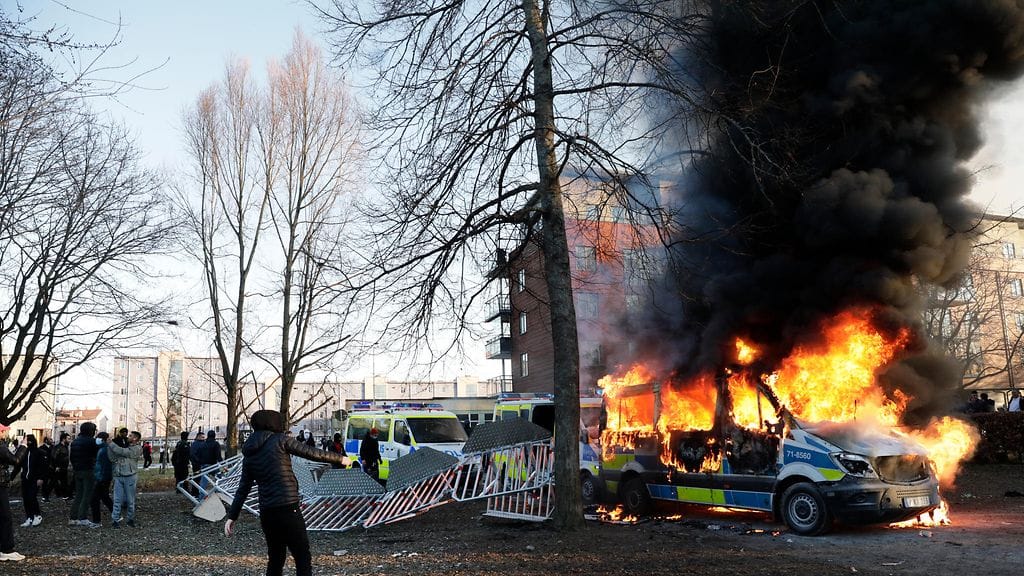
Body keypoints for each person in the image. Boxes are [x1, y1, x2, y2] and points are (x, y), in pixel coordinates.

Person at [224, 409, 348, 576]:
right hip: (288, 508)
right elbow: (312, 453)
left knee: (275, 558)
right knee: (302, 556)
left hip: (267, 512)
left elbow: (243, 488)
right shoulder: (280, 440)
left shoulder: (249, 453)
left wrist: (232, 516)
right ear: (273, 423)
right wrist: (340, 458)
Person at [0, 425, 28, 562]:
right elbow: (16, 460)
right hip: (0, 485)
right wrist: (23, 446)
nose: (6, 433)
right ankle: (6, 549)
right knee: (5, 517)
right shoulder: (1, 447)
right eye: (4, 431)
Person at [107, 430, 143, 528]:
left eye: (130, 436)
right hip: (119, 476)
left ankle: (130, 519)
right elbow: (112, 457)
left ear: (135, 438)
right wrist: (111, 447)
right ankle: (115, 520)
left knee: (130, 500)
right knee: (117, 500)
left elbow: (123, 452)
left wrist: (111, 444)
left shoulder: (137, 449)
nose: (128, 437)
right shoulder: (124, 446)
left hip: (130, 477)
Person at [11, 434, 47, 527]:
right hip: (25, 479)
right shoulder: (24, 453)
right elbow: (17, 466)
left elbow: (43, 467)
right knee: (26, 499)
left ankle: (37, 515)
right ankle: (29, 517)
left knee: (32, 497)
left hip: (34, 479)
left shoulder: (39, 452)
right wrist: (11, 477)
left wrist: (41, 478)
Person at [68, 422, 100, 528]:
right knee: (87, 495)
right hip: (88, 470)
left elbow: (72, 457)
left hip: (77, 470)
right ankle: (83, 517)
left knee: (79, 495)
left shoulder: (75, 442)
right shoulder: (92, 441)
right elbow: (97, 454)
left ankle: (73, 517)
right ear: (90, 430)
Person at [90, 432, 113, 526]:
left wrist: (99, 478)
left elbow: (103, 466)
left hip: (102, 478)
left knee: (94, 499)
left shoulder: (103, 450)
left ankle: (97, 521)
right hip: (104, 477)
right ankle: (116, 514)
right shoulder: (103, 449)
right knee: (105, 497)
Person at [51, 432, 71, 499]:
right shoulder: (58, 447)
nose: (69, 440)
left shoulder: (65, 447)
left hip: (63, 468)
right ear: (63, 439)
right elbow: (54, 457)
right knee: (54, 481)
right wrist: (56, 466)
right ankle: (47, 495)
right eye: (68, 439)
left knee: (64, 482)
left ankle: (64, 495)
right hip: (58, 468)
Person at [38, 436, 53, 502]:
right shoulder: (41, 448)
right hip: (44, 469)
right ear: (46, 440)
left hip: (52, 468)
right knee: (44, 483)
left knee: (52, 482)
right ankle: (44, 496)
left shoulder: (53, 448)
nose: (52, 440)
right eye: (50, 439)